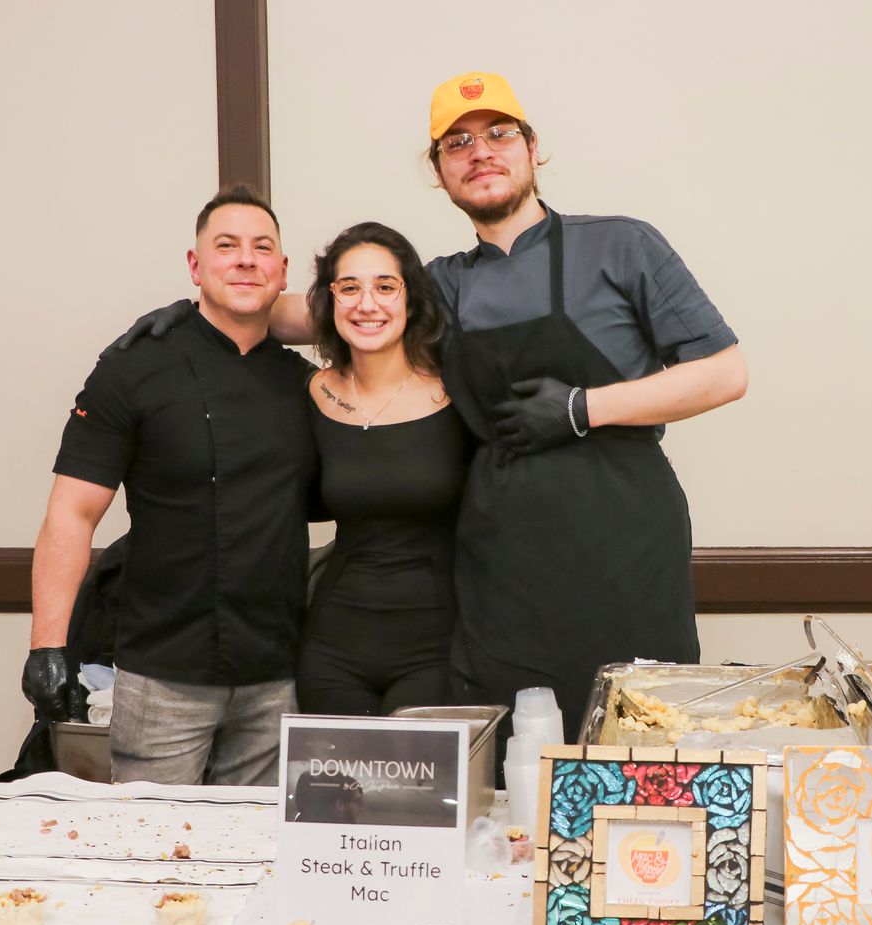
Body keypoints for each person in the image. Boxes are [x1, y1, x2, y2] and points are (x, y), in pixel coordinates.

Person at [114, 71, 747, 740]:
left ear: (533, 148)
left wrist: (582, 407)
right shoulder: (442, 286)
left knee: (639, 749)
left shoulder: (621, 246)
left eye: (499, 133)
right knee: (511, 757)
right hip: (502, 566)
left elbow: (724, 372)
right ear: (440, 172)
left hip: (626, 544)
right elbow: (329, 310)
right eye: (457, 143)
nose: (481, 152)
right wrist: (203, 310)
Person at [23, 184, 316, 786]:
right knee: (152, 839)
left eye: (262, 248)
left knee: (260, 840)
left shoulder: (306, 385)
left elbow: (384, 317)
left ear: (283, 271)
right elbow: (72, 513)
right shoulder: (133, 368)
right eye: (226, 246)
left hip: (275, 673)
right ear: (195, 265)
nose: (246, 259)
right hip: (162, 675)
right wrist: (47, 647)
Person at [295, 222, 470, 715]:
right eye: (349, 288)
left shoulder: (456, 392)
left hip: (437, 647)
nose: (366, 304)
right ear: (330, 300)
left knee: (417, 770)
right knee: (332, 769)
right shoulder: (314, 393)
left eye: (385, 286)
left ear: (410, 300)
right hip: (333, 645)